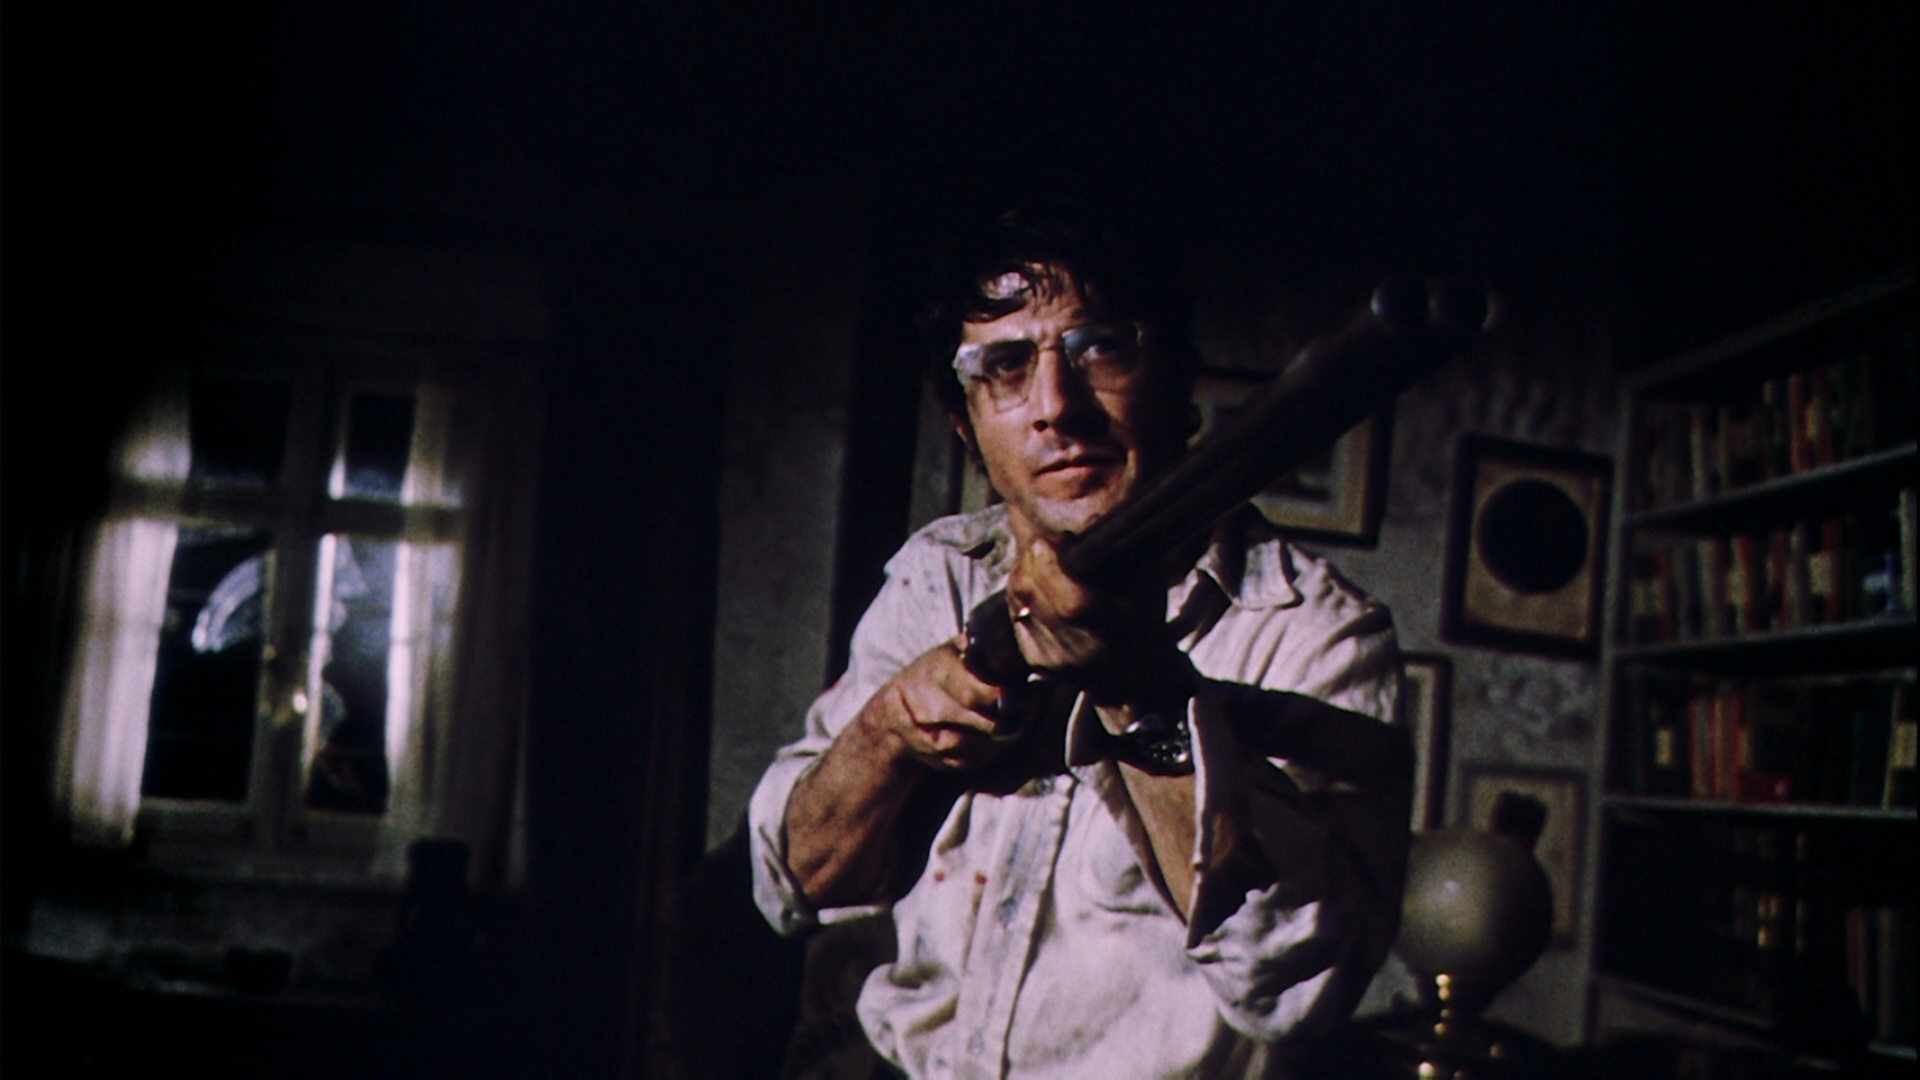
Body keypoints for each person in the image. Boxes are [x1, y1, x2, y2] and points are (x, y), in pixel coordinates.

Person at [749, 202, 1411, 1078]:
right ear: (967, 425)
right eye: (1005, 367)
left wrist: (1140, 692)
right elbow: (794, 883)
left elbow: (1297, 992)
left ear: (1179, 387)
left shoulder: (1318, 633)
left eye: (1100, 348)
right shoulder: (938, 576)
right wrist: (888, 731)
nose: (1057, 407)